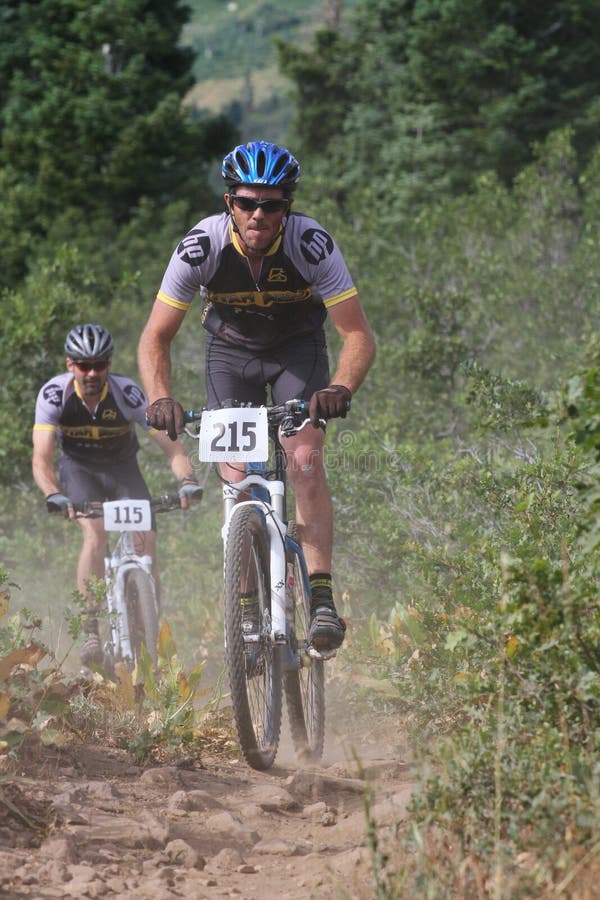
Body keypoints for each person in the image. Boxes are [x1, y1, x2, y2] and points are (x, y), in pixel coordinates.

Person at [138, 141, 376, 652]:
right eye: (248, 203)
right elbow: (155, 336)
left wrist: (339, 387)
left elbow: (358, 335)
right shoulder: (200, 247)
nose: (259, 215)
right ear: (230, 204)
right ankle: (245, 604)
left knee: (305, 461)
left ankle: (322, 596)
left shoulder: (312, 245)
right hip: (231, 357)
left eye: (272, 204)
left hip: (297, 351)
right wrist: (160, 397)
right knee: (237, 479)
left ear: (287, 207)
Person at [32, 323, 201, 667]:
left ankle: (148, 622)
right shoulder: (54, 395)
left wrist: (187, 481)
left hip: (123, 469)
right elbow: (41, 458)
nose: (92, 372)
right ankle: (92, 629)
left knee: (145, 541)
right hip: (79, 471)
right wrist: (54, 494)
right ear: (70, 365)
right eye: (83, 365)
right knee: (95, 534)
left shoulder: (127, 393)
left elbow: (172, 448)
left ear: (109, 364)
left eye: (99, 364)